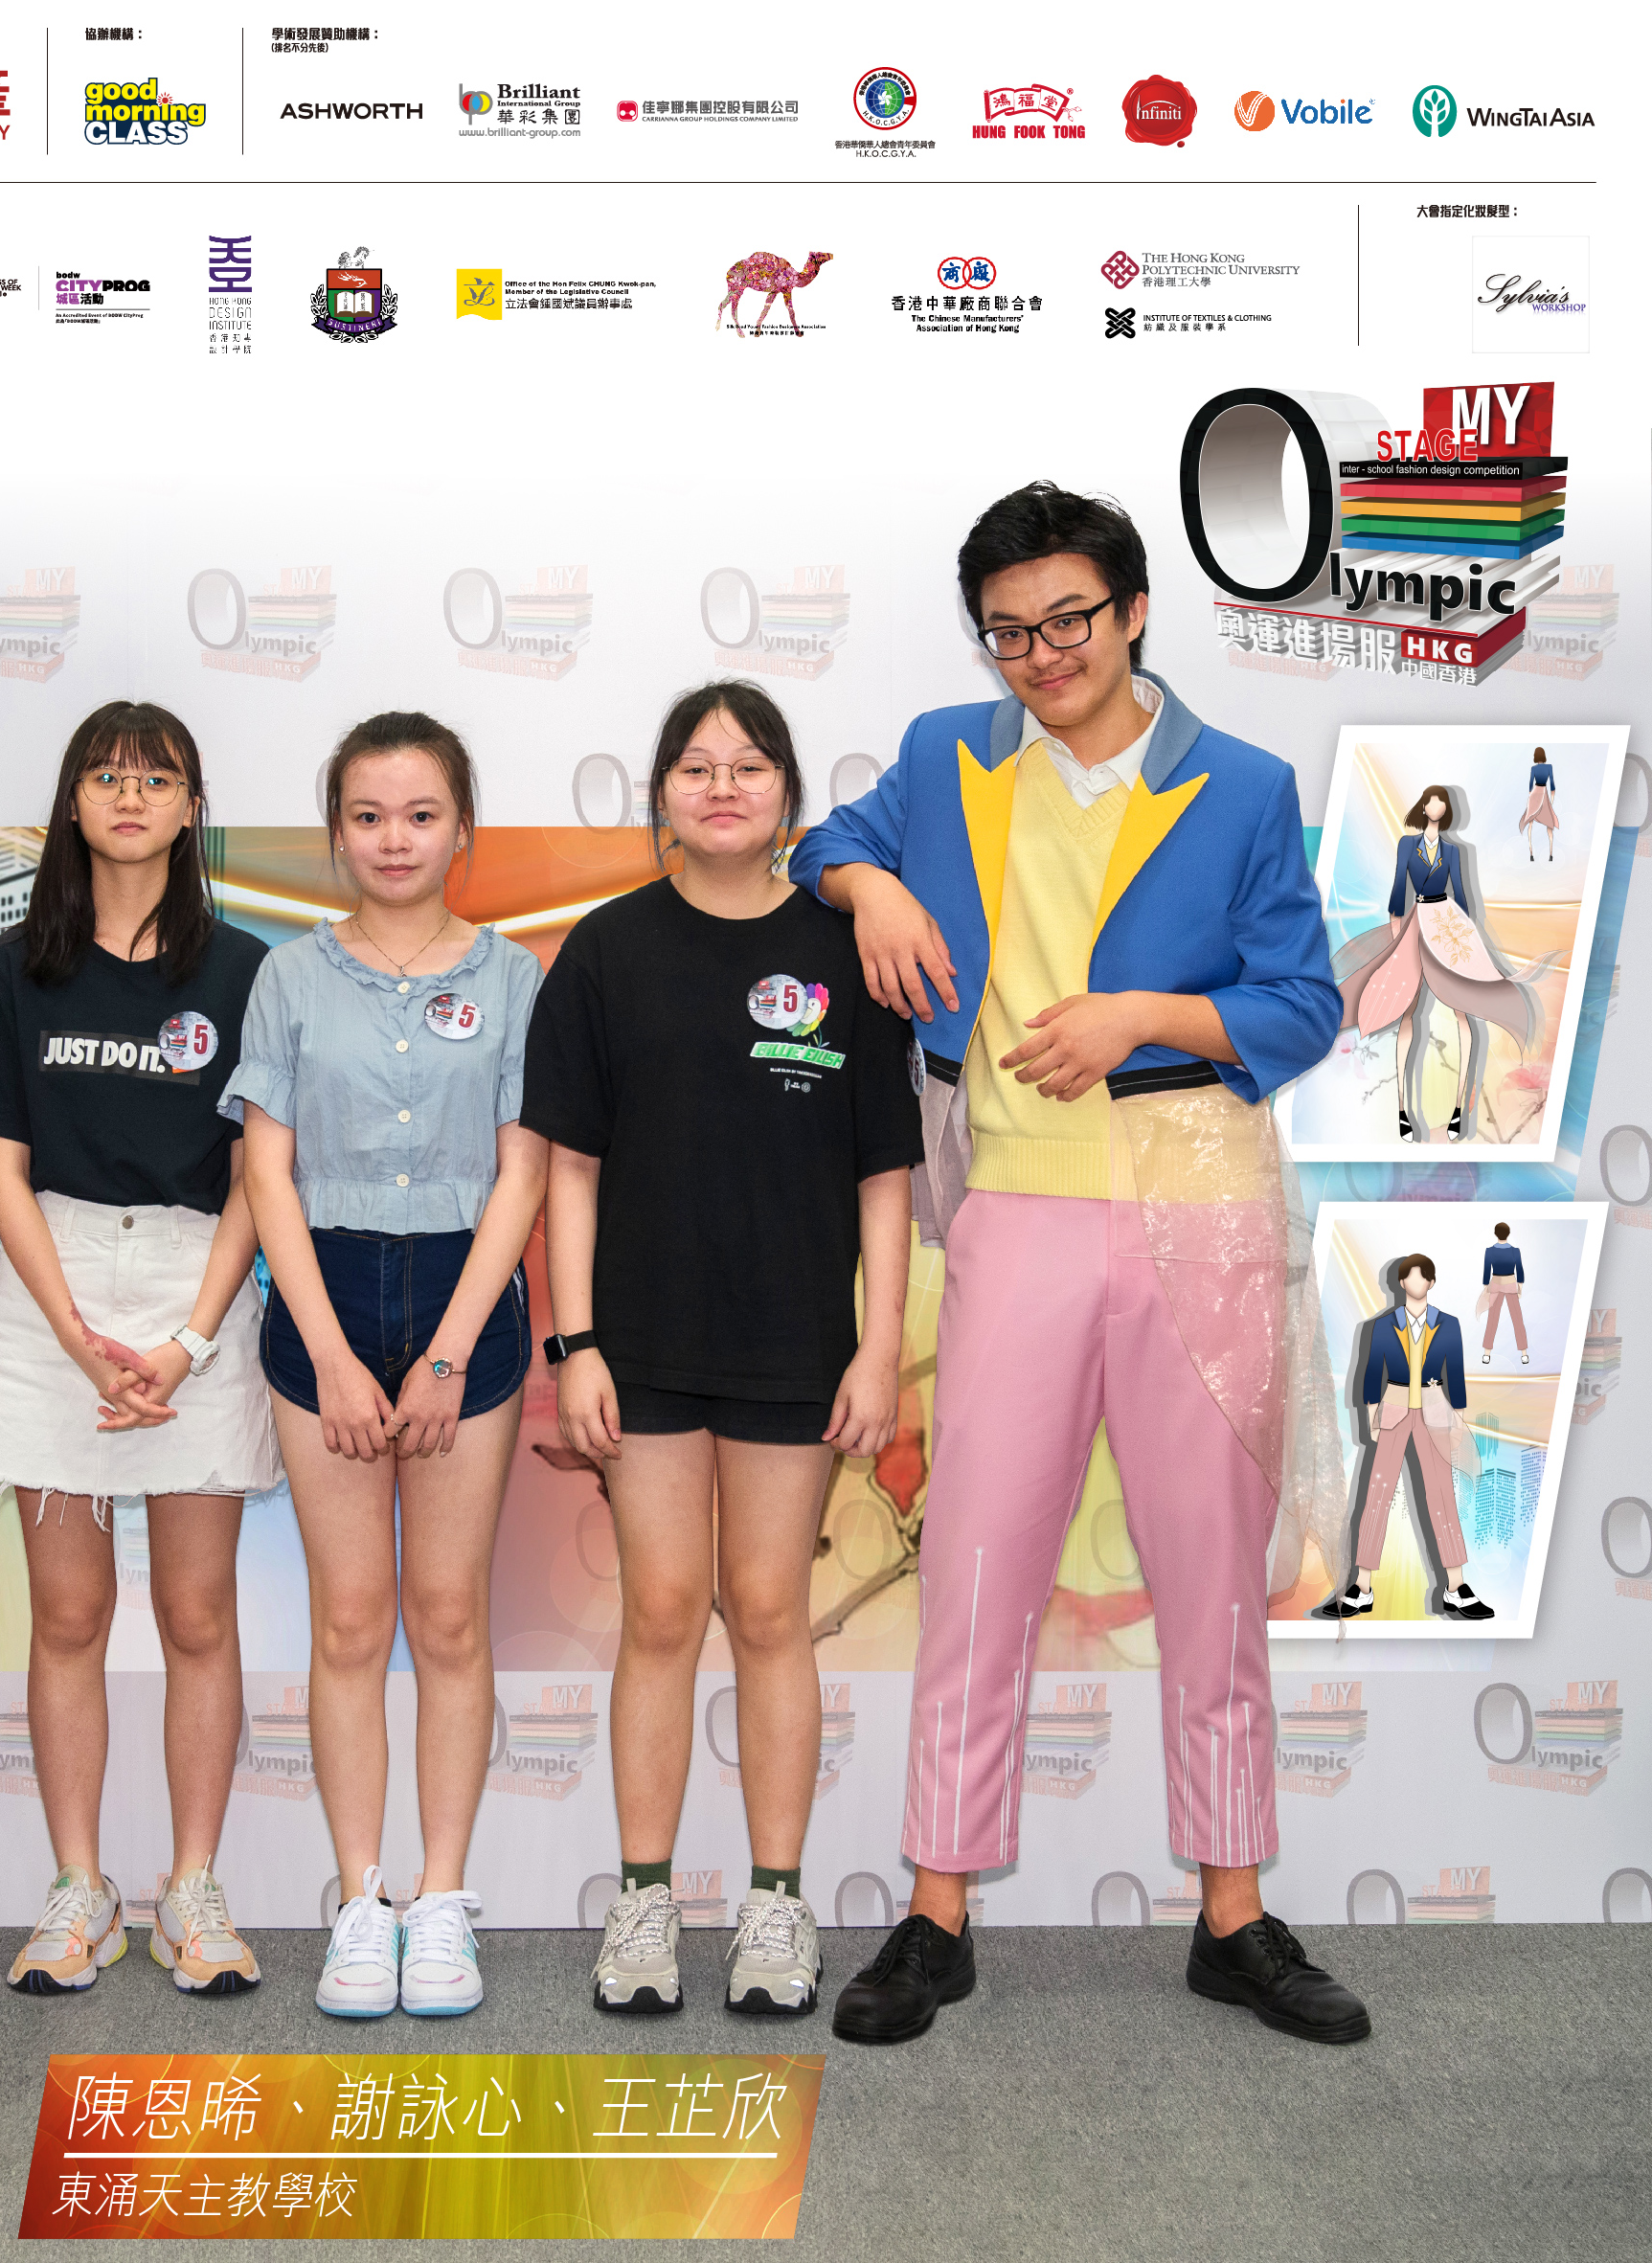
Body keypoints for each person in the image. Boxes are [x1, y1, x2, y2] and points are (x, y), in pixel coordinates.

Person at [790, 481, 1369, 2048]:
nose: (1040, 654)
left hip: (1202, 1209)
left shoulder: (1239, 786)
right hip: (1016, 1210)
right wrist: (872, 883)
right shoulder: (943, 756)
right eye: (1007, 631)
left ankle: (1232, 1915)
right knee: (974, 1565)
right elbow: (821, 843)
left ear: (1130, 612)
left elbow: (1300, 1003)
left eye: (1066, 620)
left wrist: (1141, 1020)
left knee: (1208, 1573)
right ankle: (935, 1907)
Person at [523, 682, 917, 2018]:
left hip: (794, 1341)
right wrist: (575, 1342)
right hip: (638, 1343)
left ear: (787, 796)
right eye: (694, 766)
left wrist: (877, 1348)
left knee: (766, 1611)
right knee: (657, 1609)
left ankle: (772, 1905)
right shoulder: (605, 948)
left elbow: (882, 1174)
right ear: (661, 798)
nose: (721, 785)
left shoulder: (843, 947)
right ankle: (641, 1902)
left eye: (747, 765)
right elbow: (569, 1169)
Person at [0, 702, 279, 1998]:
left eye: (155, 776)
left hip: (201, 1288)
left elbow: (258, 1173)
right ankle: (77, 1886)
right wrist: (80, 1341)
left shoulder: (244, 971)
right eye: (105, 774)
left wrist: (188, 1338)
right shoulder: (16, 965)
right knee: (70, 1613)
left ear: (191, 806)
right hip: (54, 1293)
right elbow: (3, 1171)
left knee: (196, 1612)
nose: (129, 795)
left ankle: (192, 1887)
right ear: (71, 801)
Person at [223, 712, 546, 2019]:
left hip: (470, 1298)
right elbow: (266, 1171)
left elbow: (523, 1168)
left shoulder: (515, 976)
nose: (393, 839)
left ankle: (441, 1896)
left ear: (462, 826)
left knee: (449, 1615)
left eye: (419, 814)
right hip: (326, 1296)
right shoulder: (287, 976)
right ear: (335, 832)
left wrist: (449, 1351)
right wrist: (330, 1353)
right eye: (367, 816)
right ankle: (360, 1901)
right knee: (350, 1619)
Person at [1331, 785, 1535, 1143]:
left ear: (1446, 809)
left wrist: (1468, 936)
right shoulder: (1407, 846)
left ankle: (1458, 1109)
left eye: (1442, 801)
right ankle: (1401, 1110)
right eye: (1432, 800)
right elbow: (1399, 886)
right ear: (1424, 806)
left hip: (1447, 924)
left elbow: (1462, 894)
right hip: (1414, 922)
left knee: (1462, 1010)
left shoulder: (1453, 851)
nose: (1437, 805)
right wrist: (1395, 926)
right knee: (1406, 1010)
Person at [1318, 1256, 1495, 1623]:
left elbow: (1455, 1373)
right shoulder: (1382, 1326)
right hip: (1394, 1409)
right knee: (1376, 1494)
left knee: (1442, 1495)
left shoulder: (1448, 1324)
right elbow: (1372, 1373)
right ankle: (1361, 1587)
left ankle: (1456, 1586)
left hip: (1436, 1410)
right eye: (1410, 1277)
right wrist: (1371, 1416)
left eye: (1422, 1277)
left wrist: (1458, 1419)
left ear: (1431, 1282)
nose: (1416, 1282)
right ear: (1401, 1283)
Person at [1481, 1221, 1528, 1366]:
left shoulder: (1490, 1251)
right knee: (1517, 1319)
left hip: (1495, 1284)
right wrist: (1520, 1287)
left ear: (1496, 1234)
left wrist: (1486, 1288)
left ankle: (1486, 1354)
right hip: (1511, 1284)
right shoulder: (1515, 1251)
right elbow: (1519, 1270)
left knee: (1492, 1320)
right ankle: (1524, 1354)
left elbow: (1486, 1271)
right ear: (1508, 1234)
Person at [1519, 747, 1558, 862]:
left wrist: (1530, 799)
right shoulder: (1549, 767)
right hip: (1544, 793)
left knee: (1530, 822)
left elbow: (1530, 785)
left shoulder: (1534, 768)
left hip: (1535, 793)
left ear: (1535, 756)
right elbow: (1552, 785)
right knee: (1549, 823)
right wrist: (1551, 802)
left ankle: (1531, 853)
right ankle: (1551, 854)